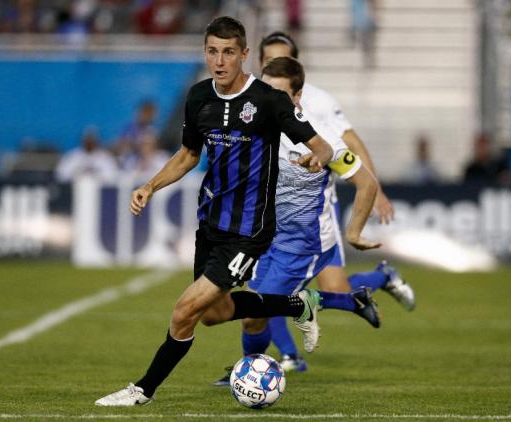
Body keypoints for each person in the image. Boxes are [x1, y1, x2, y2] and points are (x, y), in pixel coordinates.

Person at [94, 16, 381, 407]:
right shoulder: (198, 98)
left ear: (245, 54)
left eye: (229, 52)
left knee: (184, 312)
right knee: (215, 314)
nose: (220, 60)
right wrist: (149, 186)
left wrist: (317, 160)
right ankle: (300, 304)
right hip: (210, 224)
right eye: (212, 51)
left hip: (249, 230)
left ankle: (142, 390)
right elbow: (189, 155)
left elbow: (324, 147)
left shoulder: (269, 100)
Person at [226, 31, 410, 375]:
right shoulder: (250, 124)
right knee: (251, 319)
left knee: (255, 310)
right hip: (264, 239)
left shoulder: (321, 137)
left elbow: (365, 180)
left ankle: (263, 364)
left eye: (278, 94)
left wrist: (354, 232)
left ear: (297, 96)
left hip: (301, 245)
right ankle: (252, 369)